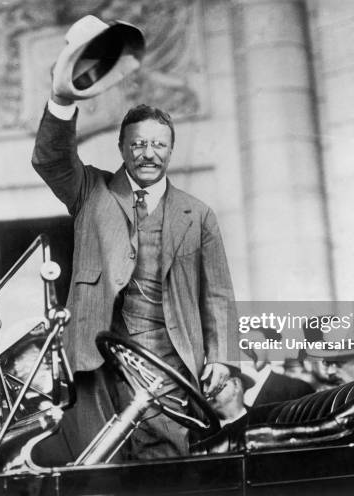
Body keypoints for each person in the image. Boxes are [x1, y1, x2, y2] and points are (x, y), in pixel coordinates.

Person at [32, 67, 236, 459]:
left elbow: (220, 294)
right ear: (122, 148)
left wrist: (222, 356)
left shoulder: (199, 214)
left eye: (159, 145)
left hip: (169, 360)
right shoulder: (91, 191)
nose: (148, 153)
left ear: (171, 151)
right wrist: (61, 100)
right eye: (138, 144)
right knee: (98, 466)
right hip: (94, 363)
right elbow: (50, 158)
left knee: (164, 464)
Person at [241, 329, 314, 407]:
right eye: (242, 344)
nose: (248, 350)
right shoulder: (228, 387)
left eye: (255, 343)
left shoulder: (296, 390)